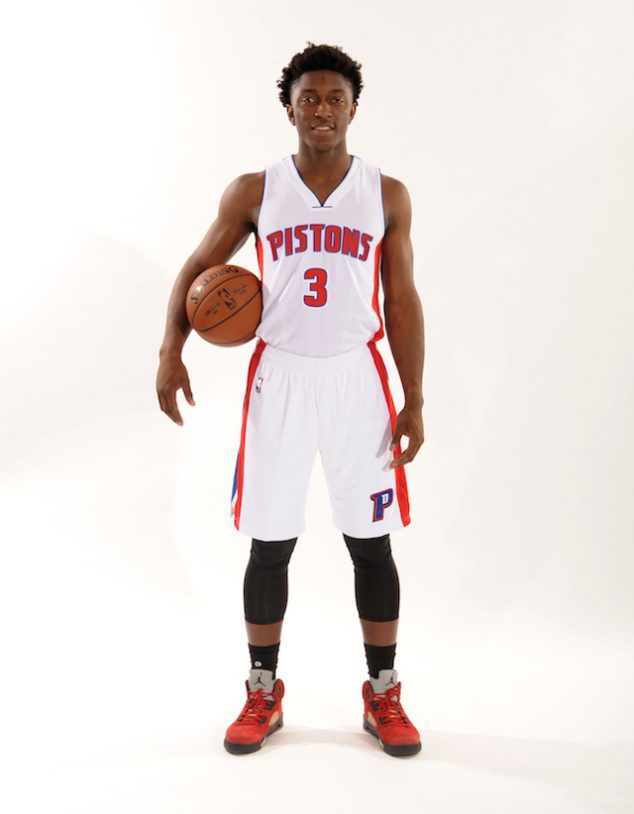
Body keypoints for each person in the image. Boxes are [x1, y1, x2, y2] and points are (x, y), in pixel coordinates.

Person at [156, 42, 425, 758]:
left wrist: (414, 396)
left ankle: (383, 691)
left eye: (336, 98)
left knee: (371, 543)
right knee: (270, 540)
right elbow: (198, 270)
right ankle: (263, 690)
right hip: (280, 377)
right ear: (290, 108)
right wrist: (168, 350)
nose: (323, 110)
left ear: (354, 109)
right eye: (310, 98)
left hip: (357, 379)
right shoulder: (256, 190)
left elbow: (401, 302)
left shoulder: (386, 193)